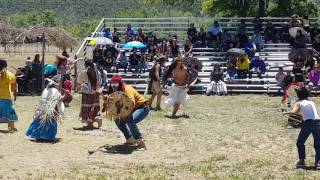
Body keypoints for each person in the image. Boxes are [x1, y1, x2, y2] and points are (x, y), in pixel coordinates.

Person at [103, 75, 149, 149]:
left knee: (129, 120)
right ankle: (130, 139)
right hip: (130, 109)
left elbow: (132, 103)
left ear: (120, 83)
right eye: (112, 84)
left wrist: (125, 115)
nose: (114, 86)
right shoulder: (115, 91)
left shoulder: (127, 89)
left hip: (142, 108)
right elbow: (112, 105)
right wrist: (107, 100)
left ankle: (140, 142)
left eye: (116, 84)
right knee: (117, 120)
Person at [283, 87, 320, 170]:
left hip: (308, 123)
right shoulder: (311, 102)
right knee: (318, 145)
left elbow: (294, 112)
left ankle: (302, 161)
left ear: (298, 95)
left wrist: (285, 112)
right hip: (318, 122)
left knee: (300, 142)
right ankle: (318, 164)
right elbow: (313, 114)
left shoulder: (299, 103)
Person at [76, 61, 102, 129]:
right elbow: (99, 83)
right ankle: (96, 119)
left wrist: (79, 87)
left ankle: (90, 123)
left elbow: (78, 82)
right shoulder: (98, 72)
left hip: (86, 94)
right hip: (95, 93)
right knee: (94, 108)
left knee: (87, 109)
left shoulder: (83, 72)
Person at [0, 59, 18, 132]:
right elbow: (13, 81)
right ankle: (11, 127)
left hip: (4, 97)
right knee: (10, 113)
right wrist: (14, 92)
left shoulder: (7, 74)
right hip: (6, 97)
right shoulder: (8, 74)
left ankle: (11, 127)